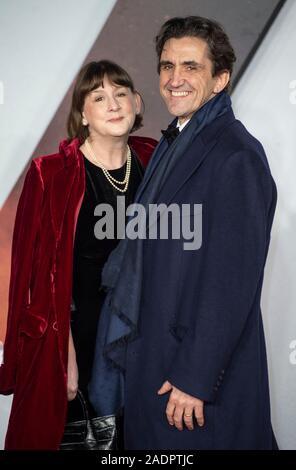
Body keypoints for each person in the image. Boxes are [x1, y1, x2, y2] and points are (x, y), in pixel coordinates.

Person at [89, 17, 278, 449]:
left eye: (190, 67)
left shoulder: (236, 155)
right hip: (156, 358)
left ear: (219, 80)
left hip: (195, 381)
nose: (175, 79)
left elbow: (230, 282)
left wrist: (195, 377)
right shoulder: (177, 142)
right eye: (166, 66)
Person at [0, 60, 156, 450]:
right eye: (99, 96)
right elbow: (35, 275)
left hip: (141, 337)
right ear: (81, 113)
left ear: (137, 103)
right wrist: (62, 352)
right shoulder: (50, 174)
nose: (114, 103)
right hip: (76, 337)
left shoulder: (154, 159)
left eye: (121, 93)